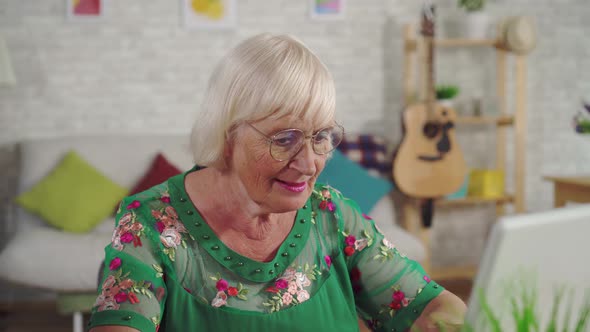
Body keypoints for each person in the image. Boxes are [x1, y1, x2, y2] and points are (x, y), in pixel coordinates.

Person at [88, 33, 466, 332]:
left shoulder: (331, 214)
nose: (308, 163)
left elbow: (429, 306)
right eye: (284, 139)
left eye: (321, 136)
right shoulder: (148, 224)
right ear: (227, 133)